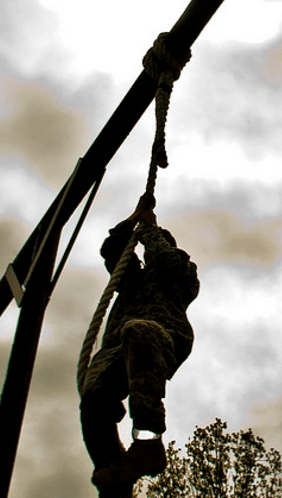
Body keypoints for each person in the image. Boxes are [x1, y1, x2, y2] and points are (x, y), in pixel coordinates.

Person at [79, 194, 200, 497]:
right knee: (94, 398)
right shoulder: (134, 279)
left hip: (161, 337)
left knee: (138, 330)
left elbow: (167, 261)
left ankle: (148, 442)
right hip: (120, 347)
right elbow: (112, 250)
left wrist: (151, 231)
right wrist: (134, 217)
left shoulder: (182, 272)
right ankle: (113, 470)